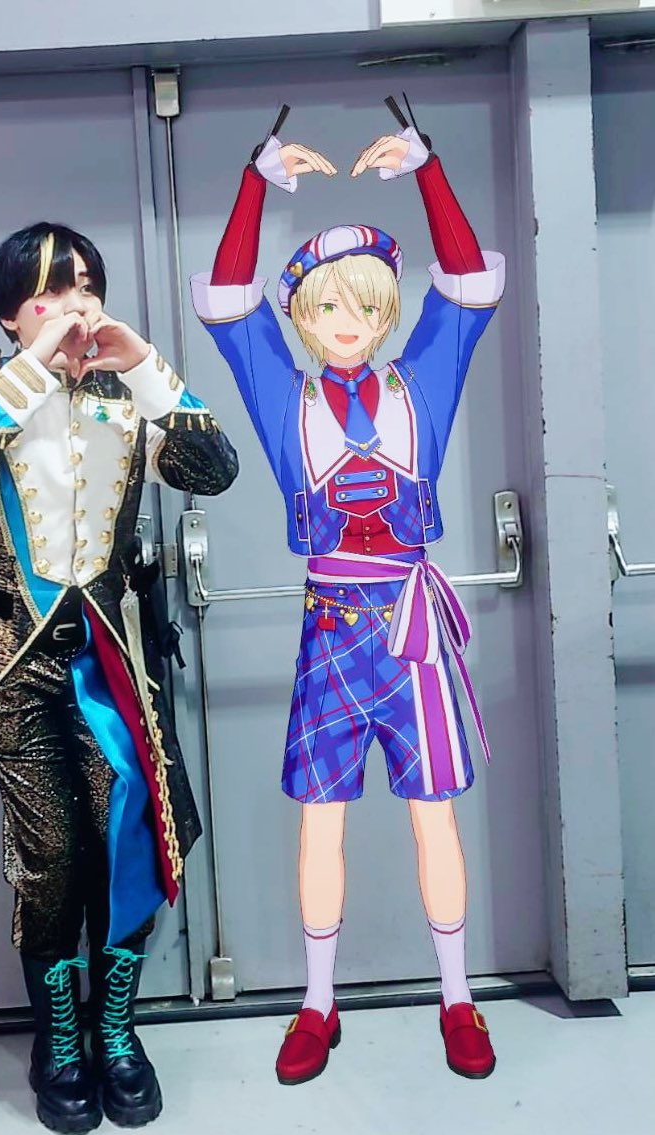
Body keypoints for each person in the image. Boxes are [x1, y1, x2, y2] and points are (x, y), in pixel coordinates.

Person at [190, 99, 504, 1085]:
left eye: (364, 308)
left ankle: (455, 997)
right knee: (317, 821)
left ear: (385, 312)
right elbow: (224, 300)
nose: (346, 326)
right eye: (326, 308)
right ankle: (316, 1004)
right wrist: (253, 183)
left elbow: (469, 284)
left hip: (411, 631)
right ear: (300, 316)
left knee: (432, 816)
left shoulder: (423, 380)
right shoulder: (280, 393)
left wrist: (428, 169)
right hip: (328, 629)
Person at [0, 222, 238, 1134]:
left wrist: (149, 367)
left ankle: (115, 1031)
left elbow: (214, 471)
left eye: (86, 284)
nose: (74, 304)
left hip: (111, 654)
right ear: (9, 313)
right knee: (52, 853)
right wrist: (30, 373)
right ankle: (59, 1039)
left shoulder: (126, 393)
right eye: (50, 291)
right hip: (5, 659)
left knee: (128, 833)